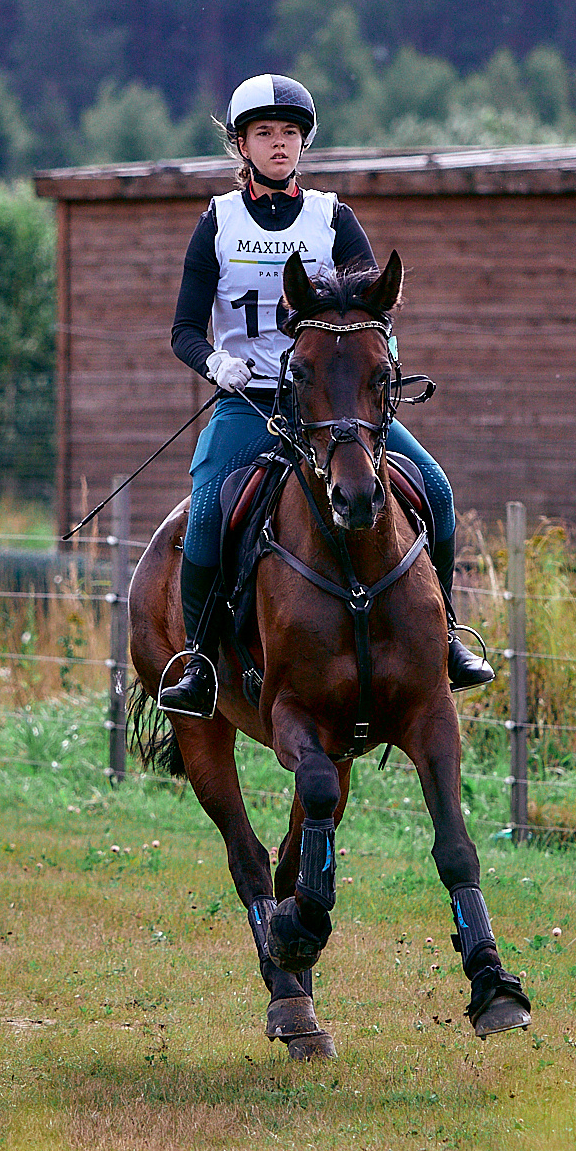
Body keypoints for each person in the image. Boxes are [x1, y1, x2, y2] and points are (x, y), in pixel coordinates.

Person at [161, 72, 493, 717]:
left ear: (303, 144)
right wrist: (216, 365)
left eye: (290, 132)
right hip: (252, 400)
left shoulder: (332, 217)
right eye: (265, 133)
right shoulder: (218, 223)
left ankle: (448, 635)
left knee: (439, 488)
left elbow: (375, 315)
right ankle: (200, 663)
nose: (280, 144)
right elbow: (181, 331)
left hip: (338, 406)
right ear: (241, 145)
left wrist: (383, 371)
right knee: (205, 512)